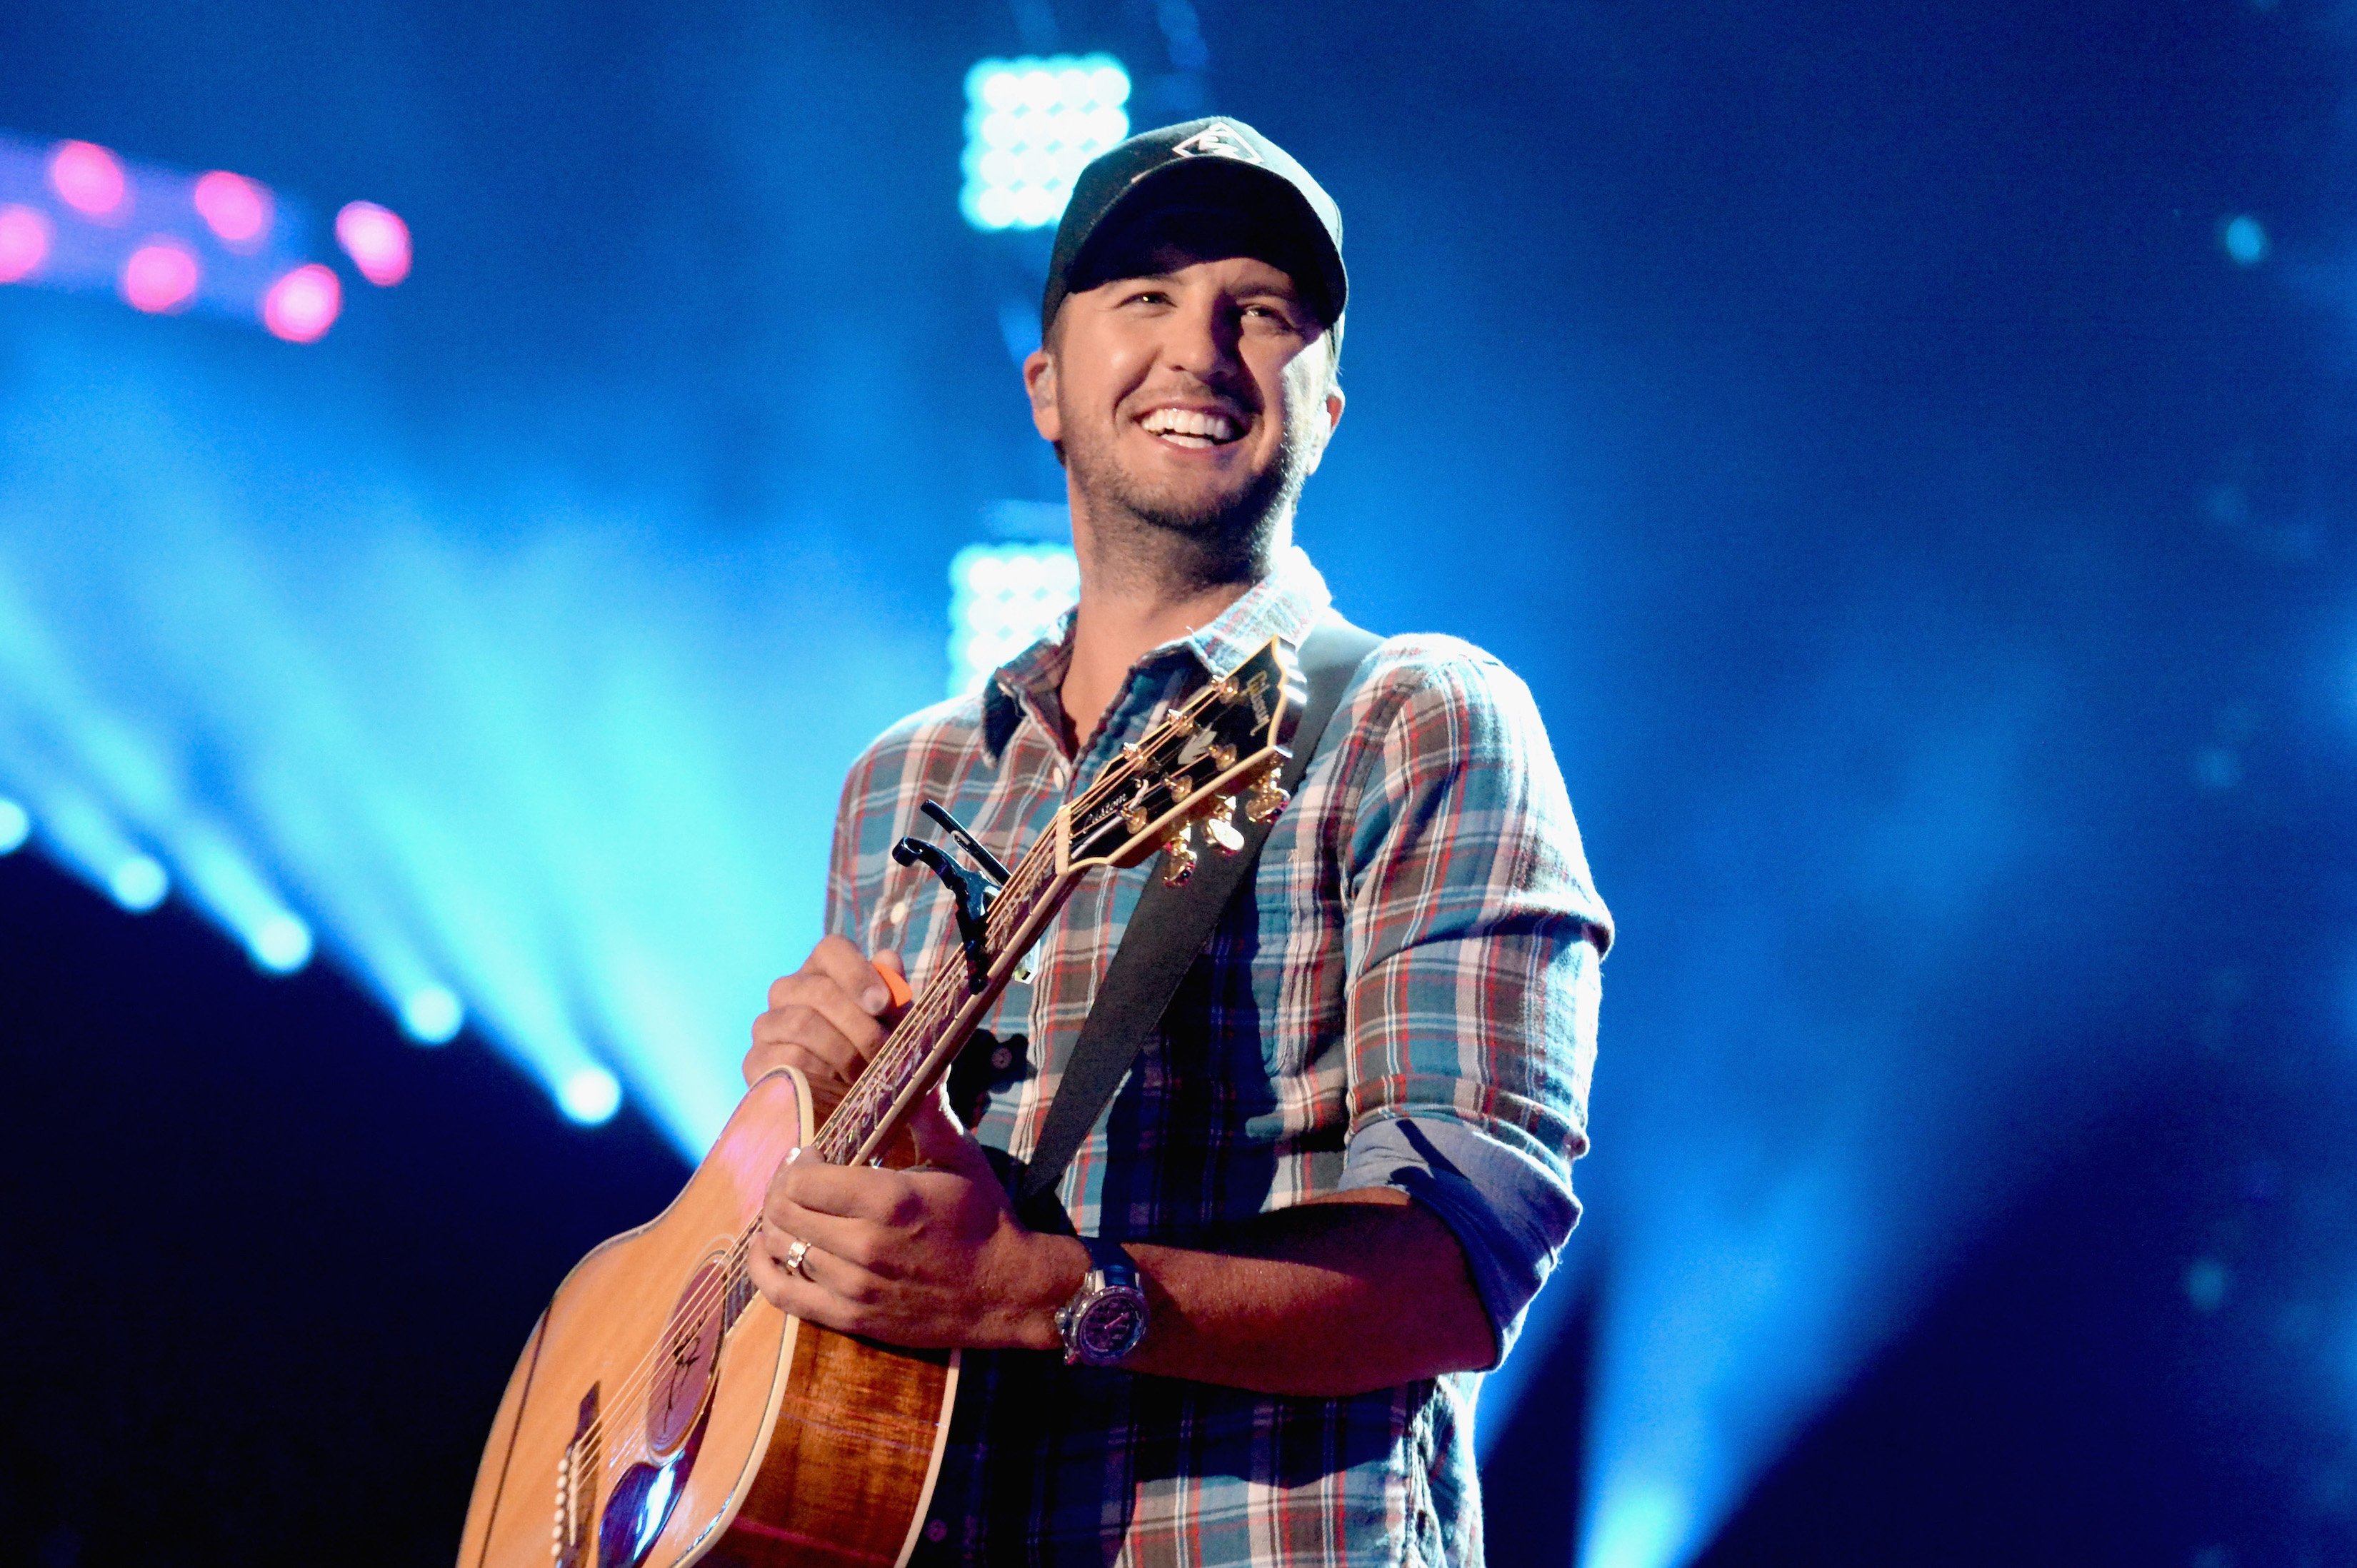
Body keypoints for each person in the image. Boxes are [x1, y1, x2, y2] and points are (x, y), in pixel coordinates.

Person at [742, 116, 1611, 1565]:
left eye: (1261, 312)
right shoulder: (906, 782)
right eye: (1142, 296)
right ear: (1046, 388)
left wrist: (1042, 1291)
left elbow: (1461, 1268)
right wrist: (797, 1134)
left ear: (1326, 408)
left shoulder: (1419, 717)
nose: (1200, 347)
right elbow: (839, 1260)